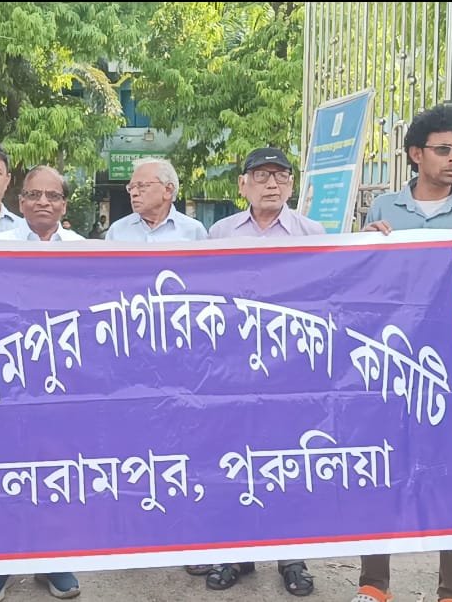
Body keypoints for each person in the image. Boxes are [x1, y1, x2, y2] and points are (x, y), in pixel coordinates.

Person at [354, 103, 452, 602]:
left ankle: (451, 590)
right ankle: (374, 584)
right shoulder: (384, 210)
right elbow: (360, 285)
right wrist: (362, 247)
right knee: (382, 465)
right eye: (444, 150)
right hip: (388, 359)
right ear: (415, 154)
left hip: (451, 363)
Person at [198, 147, 324, 597]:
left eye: (281, 175)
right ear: (243, 184)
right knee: (234, 457)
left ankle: (291, 557)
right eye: (262, 175)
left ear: (291, 184)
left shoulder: (312, 233)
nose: (272, 184)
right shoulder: (220, 233)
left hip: (291, 368)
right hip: (233, 367)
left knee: (288, 460)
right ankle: (236, 553)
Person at [0, 166, 82, 601]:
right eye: (34, 194)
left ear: (64, 205)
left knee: (58, 469)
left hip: (68, 381)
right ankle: (2, 562)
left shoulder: (85, 251)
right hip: (8, 378)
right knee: (8, 469)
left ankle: (54, 561)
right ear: (20, 201)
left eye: (53, 195)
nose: (43, 202)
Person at [105, 157, 207, 242]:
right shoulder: (117, 231)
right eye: (131, 187)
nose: (133, 193)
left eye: (142, 186)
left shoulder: (194, 231)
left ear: (168, 190)